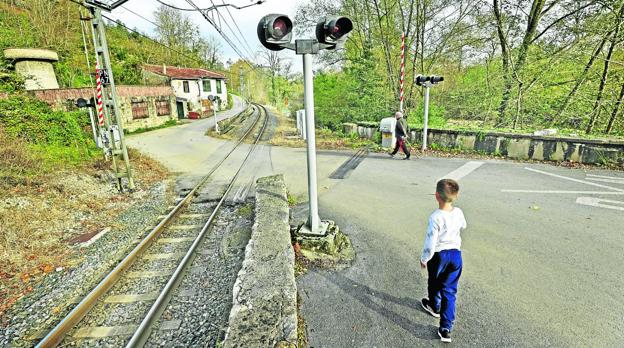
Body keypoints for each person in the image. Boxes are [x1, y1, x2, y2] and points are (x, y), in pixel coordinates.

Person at [419, 179, 467, 343]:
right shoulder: (459, 212)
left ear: (436, 196)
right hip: (455, 256)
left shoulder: (435, 217)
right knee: (450, 290)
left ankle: (435, 305)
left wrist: (424, 258)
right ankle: (446, 328)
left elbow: (430, 242)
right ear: (456, 196)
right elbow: (463, 226)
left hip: (439, 255)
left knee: (434, 282)